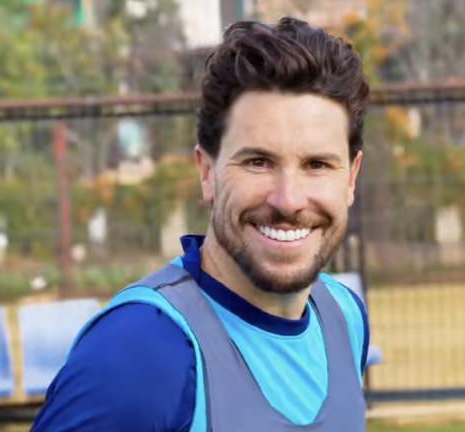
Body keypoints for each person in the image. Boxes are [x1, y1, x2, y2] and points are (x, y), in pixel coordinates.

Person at [32, 17, 370, 432]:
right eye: (258, 162)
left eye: (317, 165)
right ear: (207, 172)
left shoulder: (344, 316)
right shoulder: (139, 353)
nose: (288, 200)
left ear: (351, 178)